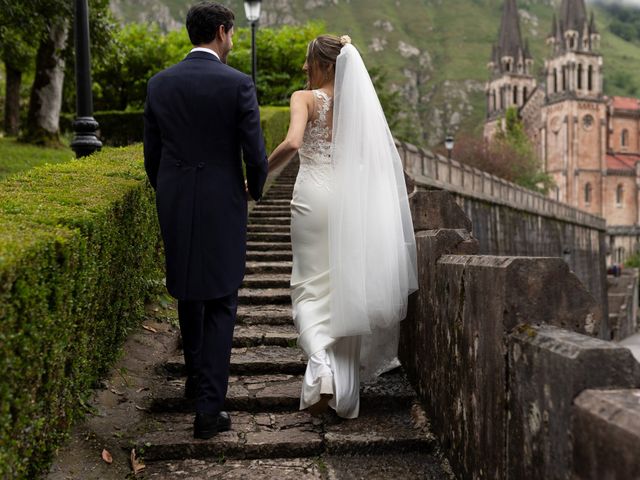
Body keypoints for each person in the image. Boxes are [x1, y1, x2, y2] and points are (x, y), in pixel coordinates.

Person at [268, 35, 418, 418]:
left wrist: (257, 177)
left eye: (308, 61)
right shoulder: (358, 109)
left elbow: (292, 142)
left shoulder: (304, 99)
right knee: (344, 287)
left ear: (323, 65)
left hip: (313, 200)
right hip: (350, 203)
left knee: (307, 285)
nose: (304, 68)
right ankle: (344, 394)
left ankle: (320, 365)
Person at [143, 2, 268, 439]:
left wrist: (170, 193)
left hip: (175, 198)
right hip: (222, 201)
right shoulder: (238, 84)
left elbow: (152, 155)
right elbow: (254, 152)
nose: (232, 40)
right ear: (221, 31)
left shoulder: (159, 84)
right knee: (220, 300)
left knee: (186, 287)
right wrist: (255, 188)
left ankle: (194, 379)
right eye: (231, 34)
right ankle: (208, 411)